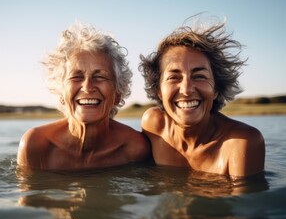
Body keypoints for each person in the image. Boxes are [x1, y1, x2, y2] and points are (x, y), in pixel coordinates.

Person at [139, 16, 265, 177]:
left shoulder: (242, 142)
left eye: (199, 76)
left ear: (216, 89)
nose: (186, 89)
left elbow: (245, 202)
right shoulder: (154, 124)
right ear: (158, 90)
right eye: (174, 77)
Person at [17, 23, 151, 171]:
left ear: (118, 94)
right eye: (76, 77)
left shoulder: (135, 148)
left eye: (100, 76)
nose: (87, 87)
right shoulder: (36, 145)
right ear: (62, 93)